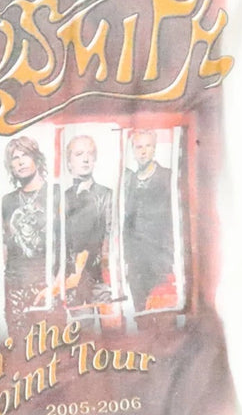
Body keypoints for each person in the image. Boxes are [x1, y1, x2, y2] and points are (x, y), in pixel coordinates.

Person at [1, 135, 59, 338]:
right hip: (16, 286)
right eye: (15, 158)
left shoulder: (56, 193)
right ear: (11, 166)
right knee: (19, 348)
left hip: (48, 283)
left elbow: (68, 243)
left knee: (52, 347)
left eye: (25, 155)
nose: (20, 162)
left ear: (36, 158)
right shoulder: (7, 201)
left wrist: (58, 283)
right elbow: (4, 247)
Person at [122, 129, 175, 314]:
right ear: (133, 150)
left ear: (154, 148)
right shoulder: (128, 181)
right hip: (136, 263)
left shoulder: (168, 177)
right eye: (139, 147)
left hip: (161, 260)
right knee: (140, 314)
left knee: (163, 314)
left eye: (148, 146)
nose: (143, 152)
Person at [60, 134, 113, 307]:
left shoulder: (106, 195)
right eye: (79, 154)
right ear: (69, 162)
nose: (85, 159)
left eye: (90, 154)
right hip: (70, 281)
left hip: (98, 278)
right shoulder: (62, 198)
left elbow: (108, 236)